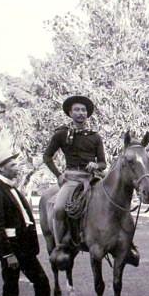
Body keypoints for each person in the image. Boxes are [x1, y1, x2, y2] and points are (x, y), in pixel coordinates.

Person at [0, 149, 63, 296]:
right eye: (12, 165)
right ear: (1, 169)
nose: (17, 167)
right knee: (11, 289)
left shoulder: (13, 188)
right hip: (12, 250)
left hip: (26, 249)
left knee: (42, 282)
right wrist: (8, 255)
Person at [42, 95, 107, 252]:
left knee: (114, 200)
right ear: (70, 113)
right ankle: (60, 246)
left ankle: (123, 243)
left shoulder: (95, 136)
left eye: (83, 110)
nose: (81, 113)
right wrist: (58, 175)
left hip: (93, 179)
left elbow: (103, 163)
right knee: (59, 208)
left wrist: (96, 165)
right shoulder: (61, 134)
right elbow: (47, 156)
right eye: (77, 110)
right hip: (72, 179)